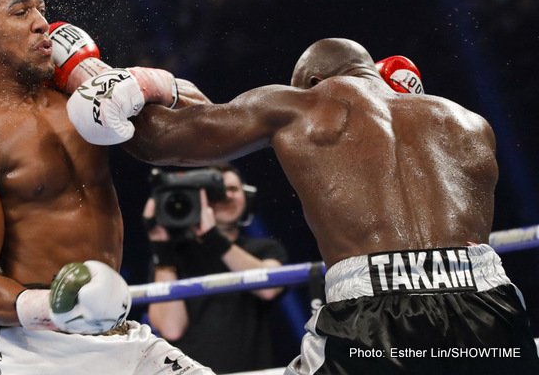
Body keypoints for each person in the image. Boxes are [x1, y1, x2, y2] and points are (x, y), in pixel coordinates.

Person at [68, 38, 539, 374]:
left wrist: (93, 72)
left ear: (311, 80)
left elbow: (159, 143)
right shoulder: (469, 122)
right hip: (488, 303)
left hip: (374, 315)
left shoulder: (301, 104)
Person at [0, 0, 215, 374]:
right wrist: (56, 308)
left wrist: (139, 83)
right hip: (33, 348)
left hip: (119, 335)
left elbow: (206, 132)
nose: (43, 24)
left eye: (41, 9)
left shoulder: (81, 94)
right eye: (21, 12)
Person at [144, 164, 288, 373]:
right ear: (201, 199)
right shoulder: (173, 258)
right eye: (217, 191)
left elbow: (268, 289)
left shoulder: (264, 249)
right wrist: (162, 249)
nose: (226, 196)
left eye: (233, 189)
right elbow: (171, 329)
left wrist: (212, 238)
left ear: (246, 196)